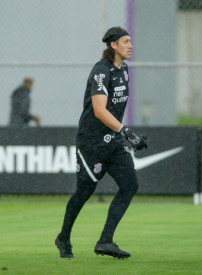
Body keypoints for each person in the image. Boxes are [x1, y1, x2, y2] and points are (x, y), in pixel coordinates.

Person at [55, 26, 148, 259]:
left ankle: (105, 240)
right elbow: (99, 110)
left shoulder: (124, 69)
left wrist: (120, 133)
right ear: (113, 45)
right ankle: (63, 237)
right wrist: (126, 130)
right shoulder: (101, 71)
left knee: (130, 185)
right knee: (84, 192)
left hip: (113, 140)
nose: (131, 45)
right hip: (91, 142)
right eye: (126, 41)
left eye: (130, 41)